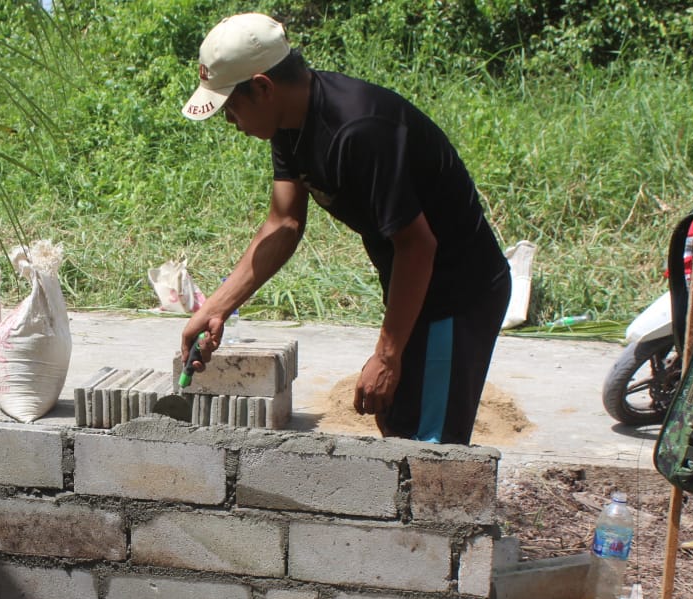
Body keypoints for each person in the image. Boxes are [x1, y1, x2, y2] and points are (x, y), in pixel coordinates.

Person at [180, 13, 511, 444]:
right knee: (396, 424)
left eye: (231, 107)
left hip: (455, 294)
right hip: (412, 287)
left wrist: (387, 356)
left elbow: (417, 246)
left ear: (262, 87)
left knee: (431, 449)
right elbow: (284, 222)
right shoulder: (289, 124)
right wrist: (216, 308)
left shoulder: (360, 131)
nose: (230, 121)